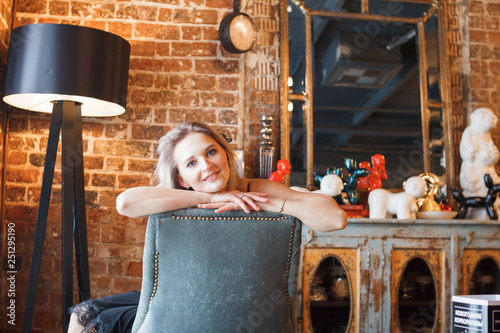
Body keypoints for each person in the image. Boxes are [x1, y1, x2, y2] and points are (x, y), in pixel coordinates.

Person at [69, 121, 347, 333]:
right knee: (85, 313)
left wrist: (264, 202)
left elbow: (336, 219)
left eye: (211, 152)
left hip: (233, 309)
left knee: (87, 318)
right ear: (183, 179)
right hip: (179, 307)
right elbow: (125, 203)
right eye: (192, 163)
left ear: (225, 154)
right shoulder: (176, 197)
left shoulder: (256, 189)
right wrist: (211, 197)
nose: (207, 165)